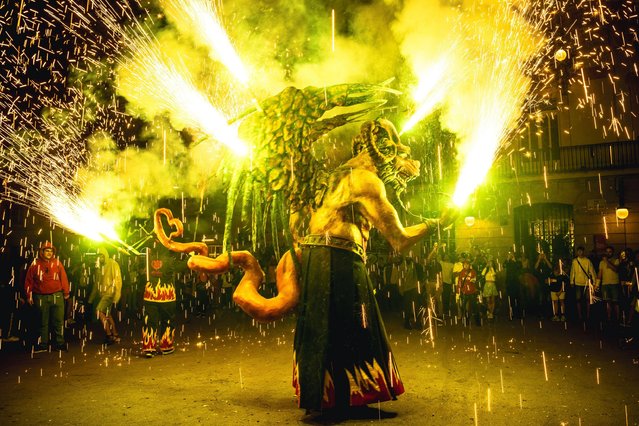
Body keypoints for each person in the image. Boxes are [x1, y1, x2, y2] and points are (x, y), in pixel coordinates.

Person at [24, 241, 70, 352]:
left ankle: (60, 343)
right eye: (47, 251)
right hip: (40, 297)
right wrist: (28, 295)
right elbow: (29, 281)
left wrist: (66, 292)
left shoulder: (57, 263)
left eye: (51, 251)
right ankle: (43, 345)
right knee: (42, 322)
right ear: (42, 252)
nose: (49, 253)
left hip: (57, 295)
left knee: (58, 321)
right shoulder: (35, 264)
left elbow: (63, 278)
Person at [142, 242, 177, 358]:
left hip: (150, 293)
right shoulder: (170, 253)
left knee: (150, 321)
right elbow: (180, 267)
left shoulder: (147, 252)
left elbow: (140, 270)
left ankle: (149, 347)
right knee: (167, 320)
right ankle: (166, 346)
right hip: (166, 294)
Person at [88, 248, 122, 345]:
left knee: (99, 311)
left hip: (110, 293)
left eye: (102, 256)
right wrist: (91, 299)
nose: (100, 258)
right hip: (104, 294)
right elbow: (96, 284)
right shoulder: (99, 266)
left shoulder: (113, 263)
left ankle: (109, 335)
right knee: (107, 315)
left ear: (105, 255)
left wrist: (117, 295)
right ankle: (115, 334)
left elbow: (118, 280)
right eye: (98, 256)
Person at [570, 246, 596, 321]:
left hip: (586, 283)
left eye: (581, 251)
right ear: (577, 252)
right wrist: (572, 281)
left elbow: (592, 271)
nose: (580, 253)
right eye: (579, 251)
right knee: (578, 299)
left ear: (583, 252)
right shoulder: (575, 261)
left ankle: (588, 315)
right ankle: (580, 315)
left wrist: (594, 282)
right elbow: (573, 272)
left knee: (587, 299)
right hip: (578, 283)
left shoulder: (587, 261)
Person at [598, 245, 620, 323]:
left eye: (610, 252)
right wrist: (597, 284)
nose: (608, 253)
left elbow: (616, 269)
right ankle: (609, 317)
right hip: (605, 284)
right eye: (606, 252)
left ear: (612, 252)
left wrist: (607, 261)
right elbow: (600, 274)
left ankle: (618, 318)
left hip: (614, 283)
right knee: (607, 301)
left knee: (615, 302)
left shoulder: (616, 260)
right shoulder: (601, 262)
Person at [458, 259, 479, 326]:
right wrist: (459, 290)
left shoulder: (473, 272)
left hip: (472, 292)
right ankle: (466, 321)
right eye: (464, 264)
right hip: (464, 292)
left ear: (469, 265)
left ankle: (477, 321)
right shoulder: (461, 272)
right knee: (463, 307)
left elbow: (475, 280)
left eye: (467, 264)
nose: (466, 265)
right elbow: (460, 281)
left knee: (474, 307)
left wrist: (472, 280)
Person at [504, 252, 522, 319]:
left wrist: (514, 260)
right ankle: (513, 314)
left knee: (518, 299)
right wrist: (508, 259)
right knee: (511, 300)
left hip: (516, 282)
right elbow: (504, 266)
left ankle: (519, 314)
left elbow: (519, 267)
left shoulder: (517, 262)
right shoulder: (507, 262)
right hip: (509, 283)